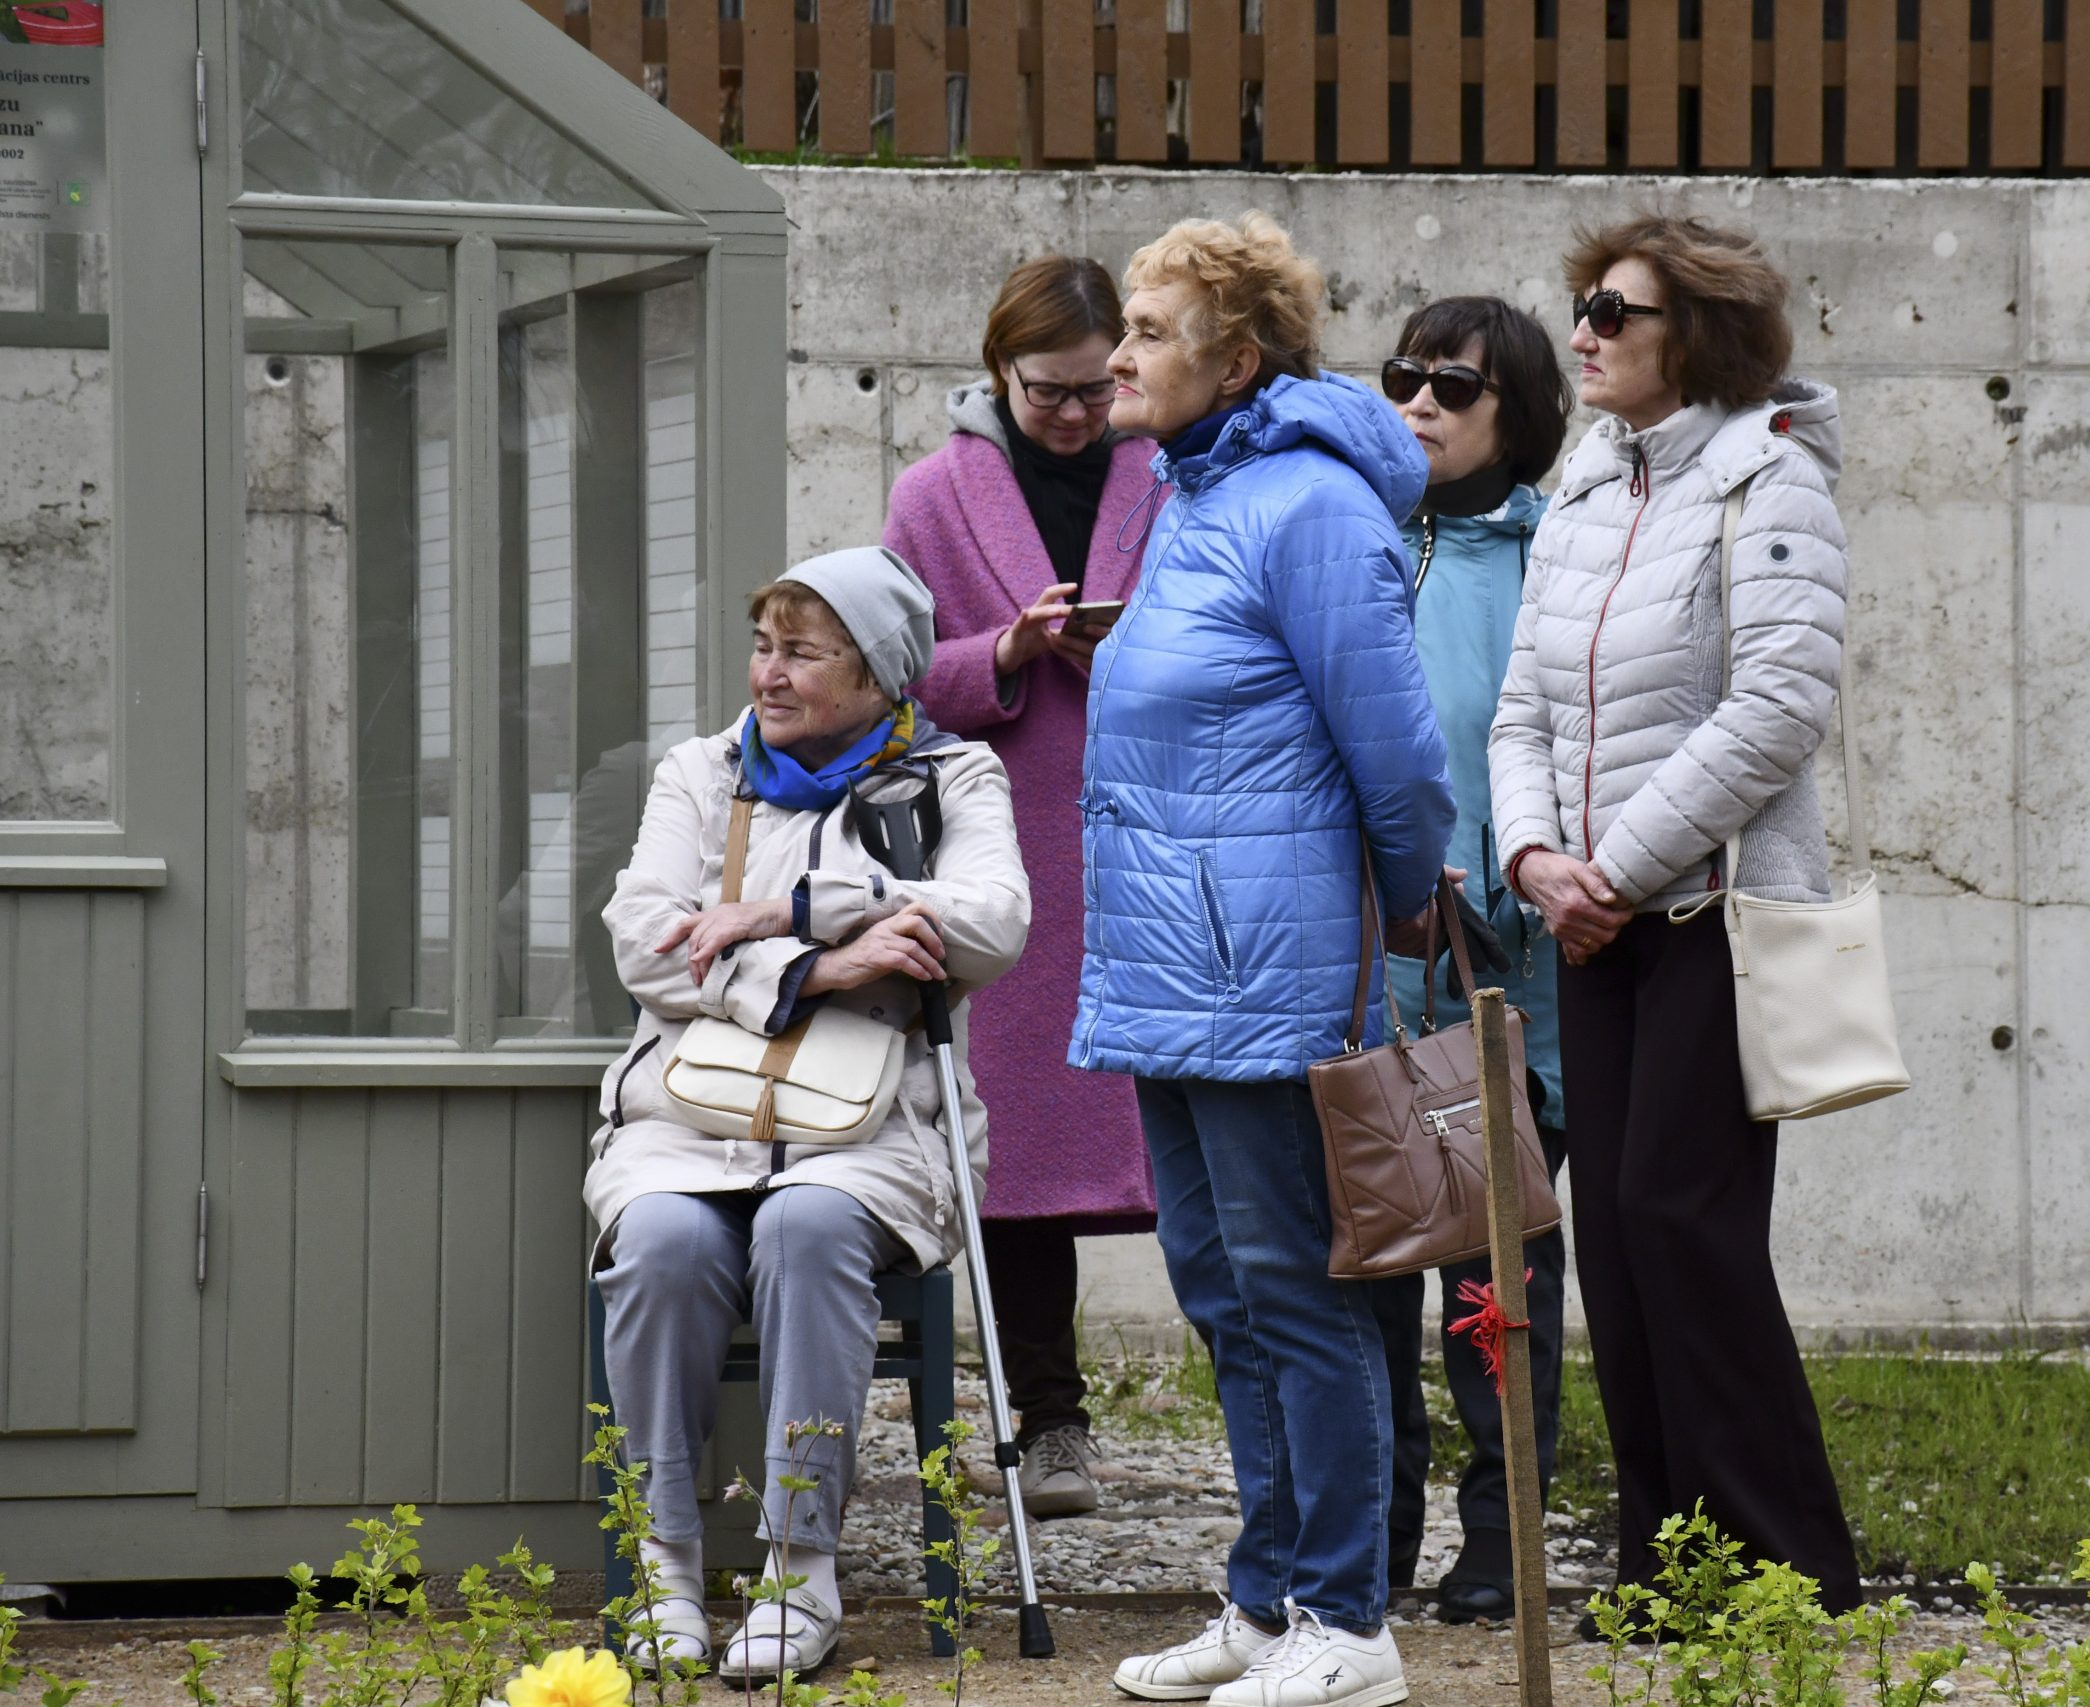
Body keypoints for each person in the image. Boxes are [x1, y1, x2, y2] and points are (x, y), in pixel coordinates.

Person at [1078, 212, 1454, 1707]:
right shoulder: (1193, 491)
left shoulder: (1308, 506)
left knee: (1297, 1293)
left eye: (1149, 331)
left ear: (1236, 360)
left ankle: (1348, 1622)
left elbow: (1400, 755)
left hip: (1264, 970)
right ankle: (1267, 1598)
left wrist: (1404, 900)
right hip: (1168, 967)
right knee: (1222, 1292)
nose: (1117, 356)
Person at [1486, 216, 1864, 1623]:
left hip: (1708, 911)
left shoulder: (1770, 479)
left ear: (1692, 336)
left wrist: (1612, 871)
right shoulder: (1587, 483)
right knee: (1621, 1234)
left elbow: (1779, 706)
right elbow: (1521, 709)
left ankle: (1786, 1569)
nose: (1582, 331)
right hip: (1596, 922)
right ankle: (1671, 1564)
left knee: (1680, 1220)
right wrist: (1534, 857)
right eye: (1581, 304)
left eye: (1615, 311)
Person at [587, 547, 1031, 1681]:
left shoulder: (954, 775)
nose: (768, 674)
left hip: (881, 1129)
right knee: (662, 1240)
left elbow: (990, 922)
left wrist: (785, 909)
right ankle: (666, 1560)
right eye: (762, 647)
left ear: (877, 674)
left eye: (802, 652)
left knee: (807, 1222)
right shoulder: (700, 772)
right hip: (688, 1118)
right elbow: (644, 940)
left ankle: (800, 1568)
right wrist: (820, 970)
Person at [886, 254, 1160, 1519]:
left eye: (1097, 390)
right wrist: (1003, 649)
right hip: (1014, 840)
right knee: (1023, 1149)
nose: (1074, 415)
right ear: (998, 370)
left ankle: (1267, 1424)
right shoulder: (932, 494)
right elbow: (889, 673)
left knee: (1203, 1128)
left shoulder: (1175, 470)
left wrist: (1136, 645)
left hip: (1162, 834)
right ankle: (1049, 1421)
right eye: (1047, 391)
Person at [1361, 295, 1577, 1625]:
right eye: (1404, 377)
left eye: (1453, 386)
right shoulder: (1354, 538)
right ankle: (1374, 1529)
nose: (1419, 404)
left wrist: (1523, 875)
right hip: (1361, 972)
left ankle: (1502, 1532)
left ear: (1524, 412)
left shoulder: (1561, 553)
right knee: (1367, 1268)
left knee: (1499, 1272)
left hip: (1512, 974)